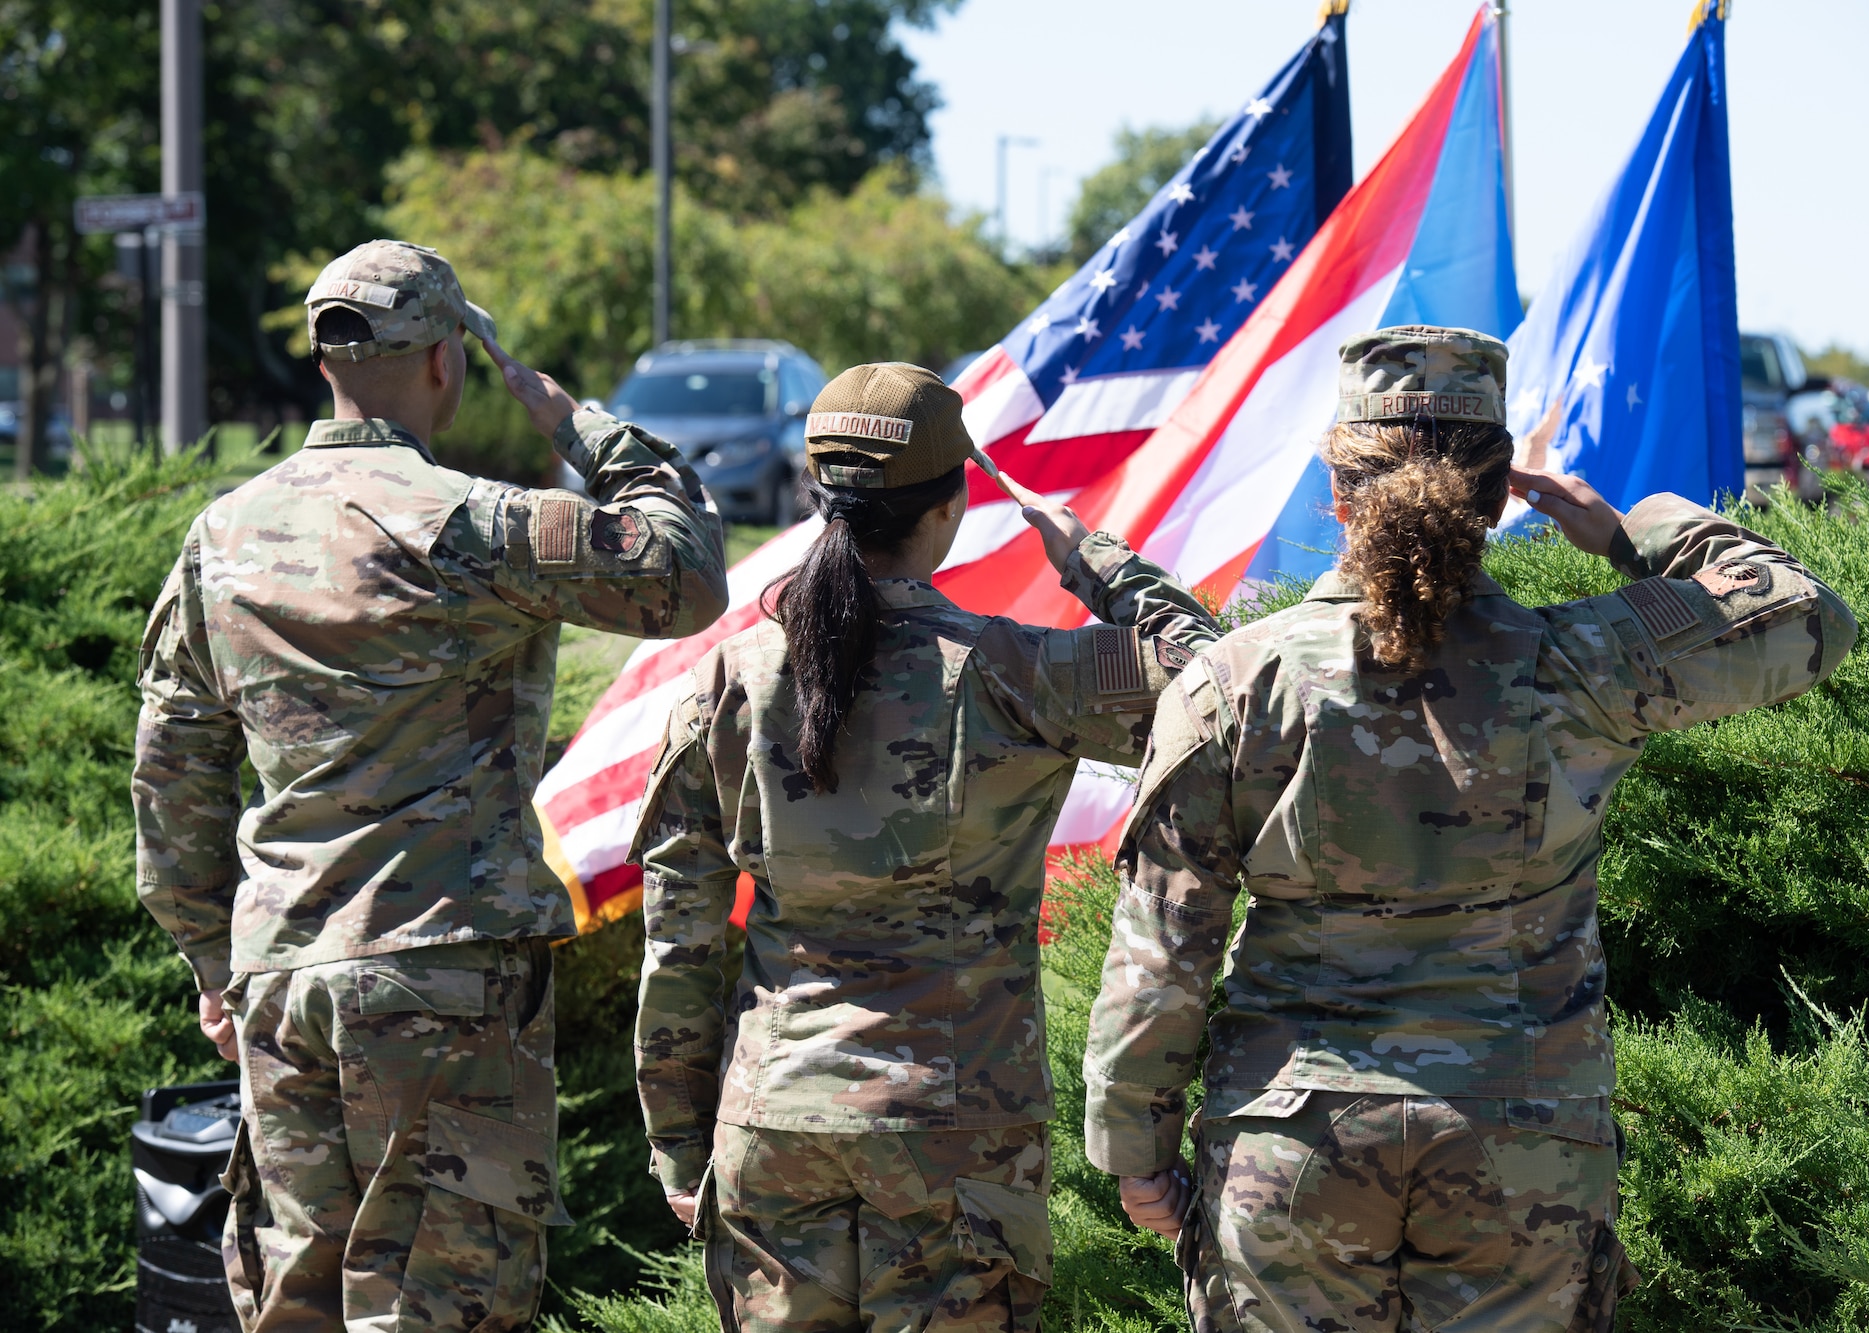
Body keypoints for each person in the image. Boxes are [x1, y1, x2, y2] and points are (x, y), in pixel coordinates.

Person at [1082, 325, 1857, 1333]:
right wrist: (1630, 528)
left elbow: (1161, 946)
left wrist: (1131, 1148)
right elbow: (1803, 613)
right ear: (1497, 499)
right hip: (1520, 1139)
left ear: (1334, 490)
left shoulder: (1236, 681)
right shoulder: (1582, 661)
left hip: (1291, 1139)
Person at [131, 238, 730, 1331]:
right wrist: (581, 426)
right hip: (444, 982)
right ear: (448, 361)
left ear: (325, 362)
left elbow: (171, 786)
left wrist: (215, 964)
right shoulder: (473, 523)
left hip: (282, 981)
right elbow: (684, 571)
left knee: (294, 1307)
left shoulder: (219, 539)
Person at [629, 362, 1220, 1332]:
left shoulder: (726, 682)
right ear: (949, 509)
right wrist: (1093, 560)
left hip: (775, 1123)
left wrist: (679, 1142)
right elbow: (1214, 679)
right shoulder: (1019, 673)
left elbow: (678, 941)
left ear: (823, 505)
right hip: (957, 1137)